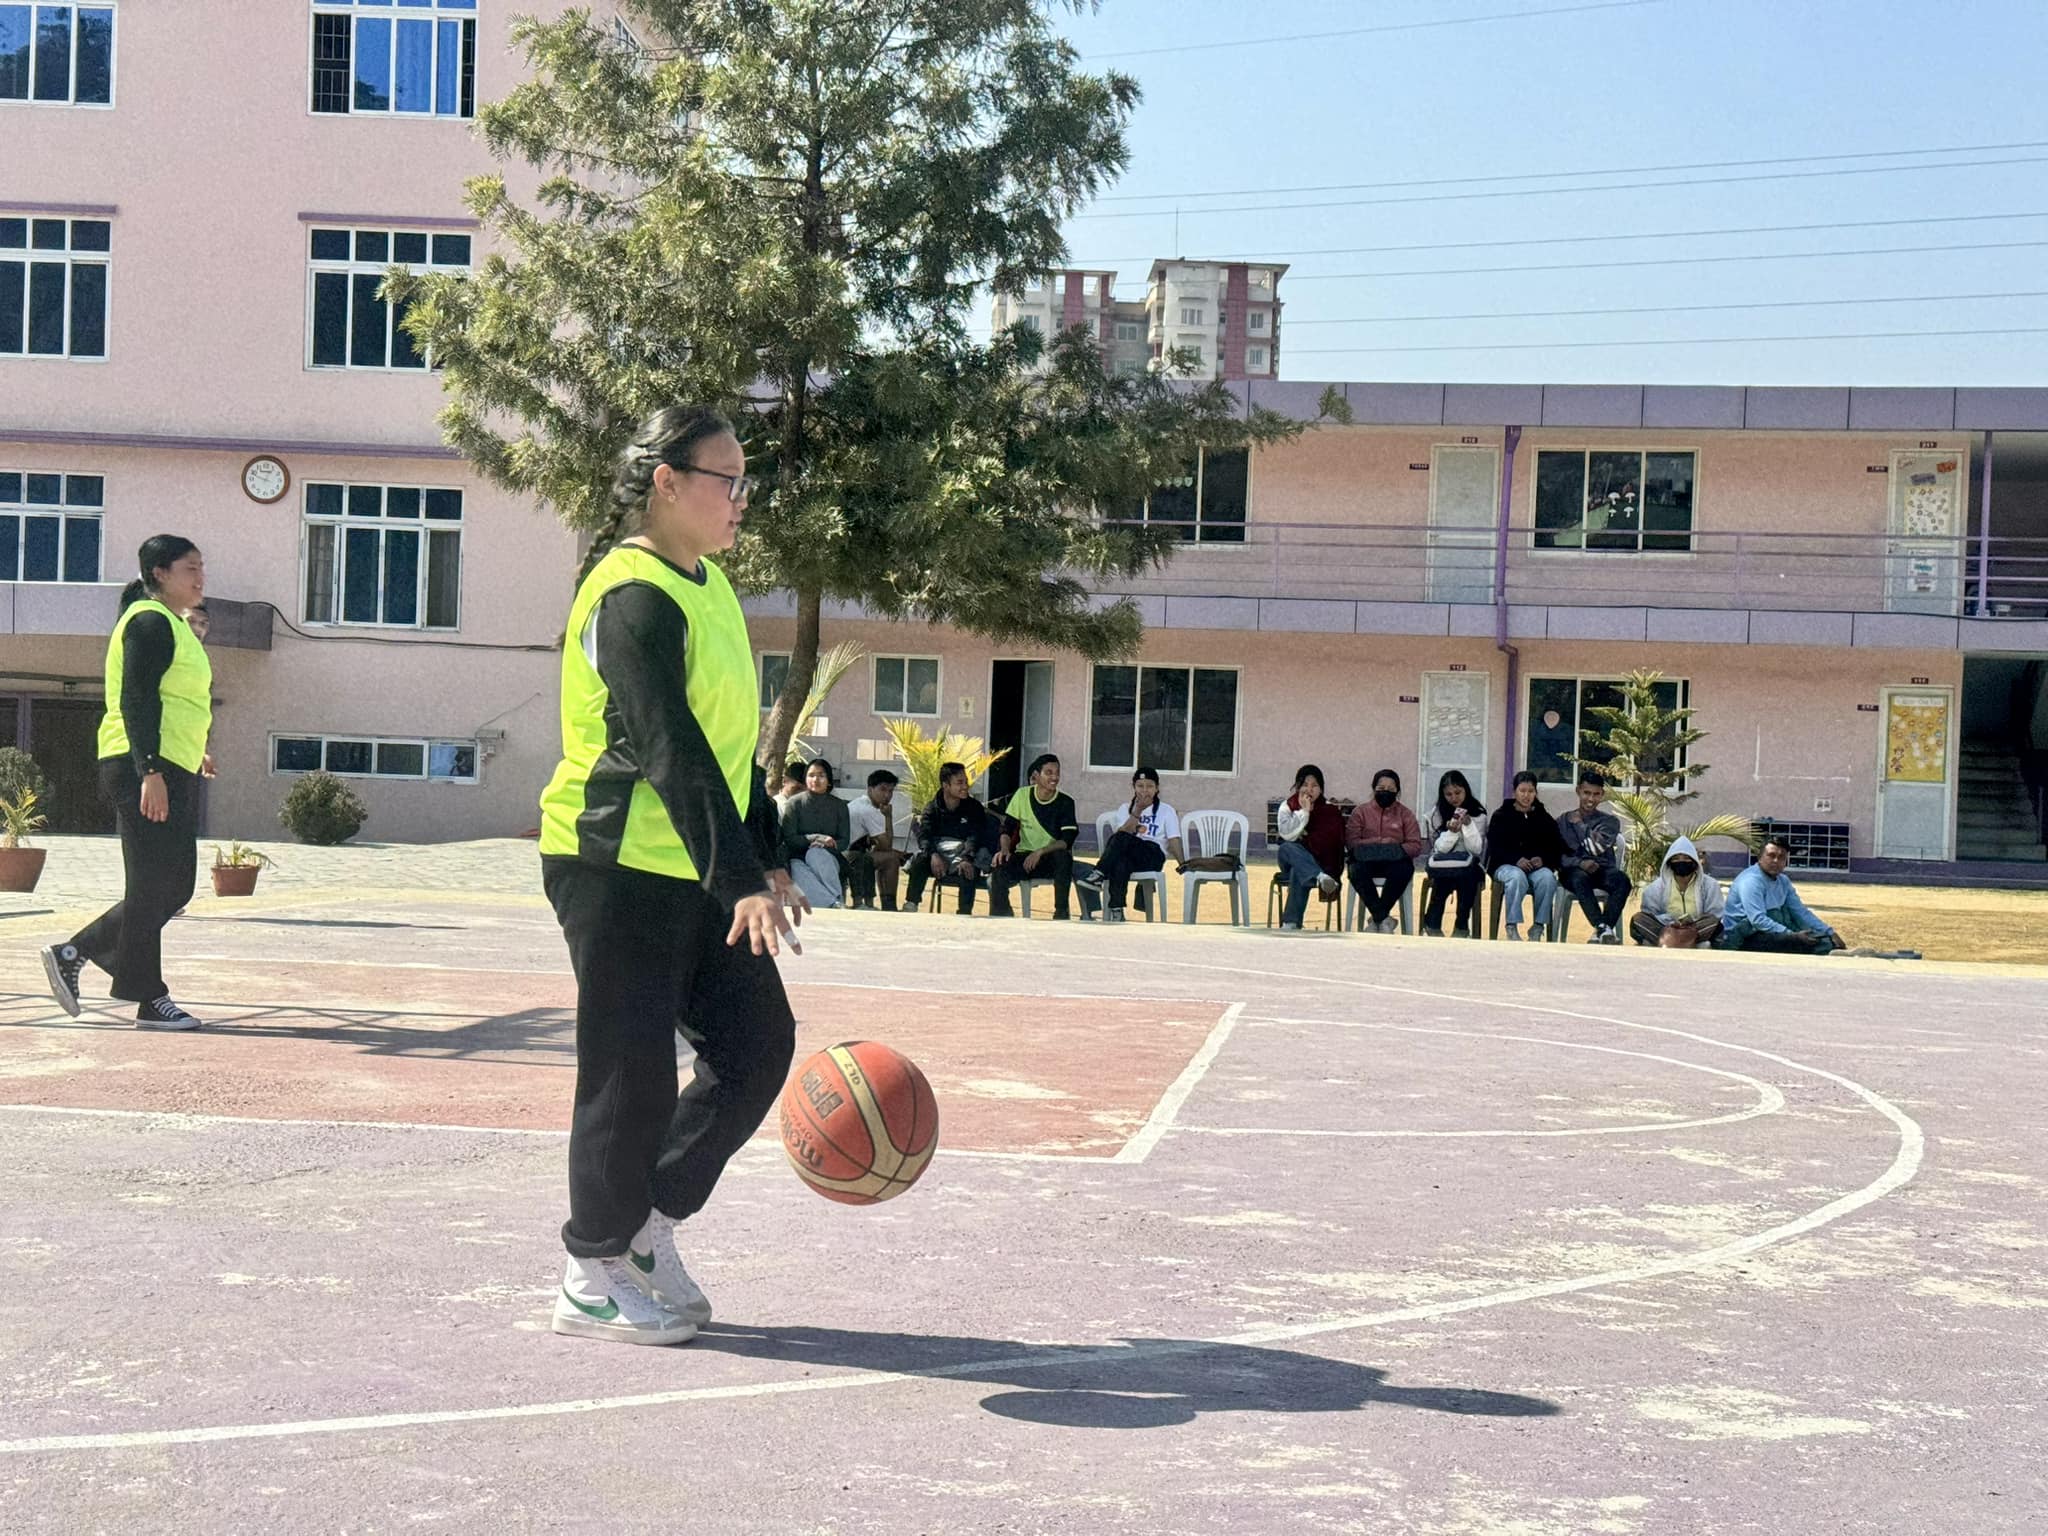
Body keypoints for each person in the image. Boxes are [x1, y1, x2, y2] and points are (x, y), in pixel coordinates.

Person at [535, 405, 806, 1347]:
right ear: (665, 479)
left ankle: (645, 1232)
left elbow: (732, 754)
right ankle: (587, 1269)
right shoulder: (630, 594)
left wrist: (764, 855)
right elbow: (666, 745)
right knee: (629, 1070)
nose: (741, 498)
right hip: (613, 865)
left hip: (696, 866)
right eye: (726, 479)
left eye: (744, 481)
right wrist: (738, 882)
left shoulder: (712, 591)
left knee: (758, 1040)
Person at [41, 536, 213, 1031]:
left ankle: (78, 951)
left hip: (167, 766)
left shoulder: (174, 626)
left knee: (172, 885)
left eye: (202, 568)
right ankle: (147, 996)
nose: (200, 578)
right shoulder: (148, 622)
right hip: (141, 767)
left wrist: (193, 750)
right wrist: (151, 770)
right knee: (153, 883)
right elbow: (138, 701)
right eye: (189, 569)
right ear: (159, 573)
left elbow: (176, 701)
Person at [1076, 766, 1185, 922]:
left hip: (1153, 855)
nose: (1145, 791)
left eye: (1150, 786)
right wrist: (1137, 811)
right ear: (1133, 787)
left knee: (1122, 838)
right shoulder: (1124, 808)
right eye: (1140, 786)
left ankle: (1098, 873)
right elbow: (1122, 834)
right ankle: (1116, 910)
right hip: (1131, 855)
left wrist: (1182, 864)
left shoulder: (1167, 811)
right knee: (1121, 862)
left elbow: (1174, 839)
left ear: (1157, 788)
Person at [989, 752, 1080, 920]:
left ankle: (1061, 913)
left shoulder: (1066, 802)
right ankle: (1001, 915)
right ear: (1036, 776)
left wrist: (1040, 852)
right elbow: (1006, 829)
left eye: (1057, 772)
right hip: (1024, 857)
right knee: (1000, 863)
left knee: (1063, 857)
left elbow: (1067, 840)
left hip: (1048, 858)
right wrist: (1004, 849)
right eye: (1049, 772)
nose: (1055, 777)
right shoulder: (1022, 795)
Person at [1719, 837, 1844, 954]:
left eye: (1781, 857)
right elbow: (1757, 920)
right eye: (1771, 856)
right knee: (1816, 944)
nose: (1776, 861)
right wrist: (1792, 936)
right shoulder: (1751, 880)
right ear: (1759, 857)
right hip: (1744, 936)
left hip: (1771, 931)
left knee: (1824, 940)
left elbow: (1800, 912)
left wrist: (1829, 932)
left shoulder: (1783, 881)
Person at [906, 760, 993, 914]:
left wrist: (966, 858)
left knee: (968, 869)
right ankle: (911, 904)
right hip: (938, 856)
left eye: (966, 782)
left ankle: (964, 912)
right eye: (959, 783)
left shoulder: (974, 807)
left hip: (964, 853)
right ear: (945, 785)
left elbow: (975, 835)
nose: (965, 786)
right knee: (920, 861)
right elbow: (925, 836)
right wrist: (933, 855)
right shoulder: (931, 809)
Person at [1487, 771, 1563, 941]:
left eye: (1531, 791)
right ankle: (1512, 926)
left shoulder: (1544, 818)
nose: (1526, 795)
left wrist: (1542, 859)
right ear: (1515, 792)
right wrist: (1515, 859)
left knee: (1548, 878)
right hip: (1506, 865)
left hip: (1536, 868)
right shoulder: (1501, 816)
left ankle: (1538, 926)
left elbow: (1555, 846)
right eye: (1522, 791)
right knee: (1516, 876)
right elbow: (1495, 846)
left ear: (1536, 793)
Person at [1346, 768, 1423, 933]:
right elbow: (1352, 842)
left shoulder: (1406, 814)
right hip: (1365, 860)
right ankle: (1384, 919)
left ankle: (1376, 920)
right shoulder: (1360, 812)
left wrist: (1394, 848)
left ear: (1397, 791)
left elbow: (1415, 845)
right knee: (1355, 870)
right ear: (1373, 789)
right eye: (1381, 788)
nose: (1385, 792)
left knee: (1403, 870)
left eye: (1390, 789)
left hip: (1394, 861)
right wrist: (1380, 842)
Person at [1559, 768, 1630, 944]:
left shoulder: (1609, 822)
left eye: (1596, 794)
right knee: (1579, 878)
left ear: (1602, 795)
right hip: (1572, 871)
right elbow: (1555, 853)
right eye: (1586, 793)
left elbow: (1595, 848)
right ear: (1578, 791)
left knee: (1622, 881)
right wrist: (1579, 863)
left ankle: (1601, 930)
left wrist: (1580, 825)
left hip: (1601, 869)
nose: (1591, 799)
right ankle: (1602, 928)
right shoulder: (1562, 821)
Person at [1274, 763, 1345, 929]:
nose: (1309, 790)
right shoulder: (1287, 807)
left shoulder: (1330, 810)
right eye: (1305, 785)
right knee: (1287, 847)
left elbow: (1332, 843)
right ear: (1298, 787)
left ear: (1321, 789)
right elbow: (1287, 835)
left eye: (1315, 786)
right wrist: (1304, 813)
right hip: (1290, 857)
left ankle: (1291, 922)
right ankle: (1320, 877)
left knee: (1298, 870)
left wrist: (1305, 842)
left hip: (1319, 861)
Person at [1420, 769, 1487, 938]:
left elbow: (1476, 849)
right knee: (1444, 877)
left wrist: (1468, 826)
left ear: (1466, 790)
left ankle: (1461, 925)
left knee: (1467, 878)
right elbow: (1439, 850)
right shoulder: (1435, 815)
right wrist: (1451, 832)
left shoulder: (1478, 813)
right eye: (1449, 794)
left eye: (1458, 792)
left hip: (1469, 864)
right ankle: (1432, 924)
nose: (1454, 798)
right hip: (1443, 864)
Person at [779, 758, 851, 910]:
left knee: (816, 854)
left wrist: (828, 844)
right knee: (797, 869)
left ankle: (833, 902)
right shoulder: (794, 803)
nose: (815, 779)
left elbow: (845, 840)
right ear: (805, 779)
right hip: (798, 856)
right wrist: (814, 838)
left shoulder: (840, 806)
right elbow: (789, 837)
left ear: (829, 780)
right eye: (811, 775)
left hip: (829, 857)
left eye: (821, 775)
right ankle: (834, 902)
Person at [1630, 836, 1724, 948]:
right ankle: (1672, 940)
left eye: (1686, 858)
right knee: (1638, 919)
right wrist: (1671, 923)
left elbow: (1715, 914)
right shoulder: (1655, 887)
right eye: (1676, 858)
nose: (1681, 861)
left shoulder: (1710, 885)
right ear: (1669, 862)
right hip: (1665, 929)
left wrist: (1689, 924)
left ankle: (1676, 941)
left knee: (1714, 922)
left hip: (1696, 928)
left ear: (1694, 862)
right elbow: (1650, 914)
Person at [846, 768, 906, 911]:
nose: (887, 795)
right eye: (883, 790)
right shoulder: (868, 810)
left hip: (852, 852)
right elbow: (886, 845)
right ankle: (889, 905)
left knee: (889, 856)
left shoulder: (860, 803)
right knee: (891, 859)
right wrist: (888, 817)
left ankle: (885, 903)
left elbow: (879, 845)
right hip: (850, 855)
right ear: (870, 788)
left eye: (891, 791)